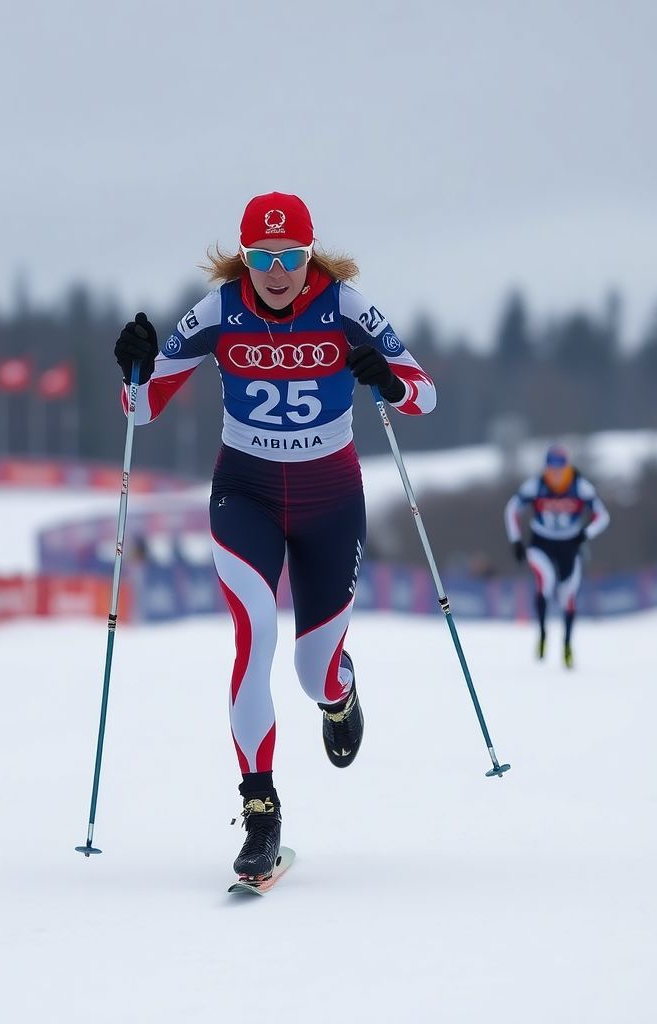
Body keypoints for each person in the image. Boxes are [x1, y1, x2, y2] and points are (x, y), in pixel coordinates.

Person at [113, 191, 435, 880]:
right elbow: (141, 410)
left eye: (291, 256)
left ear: (310, 256)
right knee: (254, 632)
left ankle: (339, 694)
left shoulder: (345, 307)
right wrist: (134, 368)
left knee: (312, 671)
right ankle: (261, 811)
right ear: (246, 259)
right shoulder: (217, 312)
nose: (278, 271)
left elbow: (423, 393)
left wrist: (388, 381)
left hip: (330, 500)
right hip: (246, 495)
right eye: (263, 258)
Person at [504, 444, 610, 668]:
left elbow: (602, 516)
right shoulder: (536, 485)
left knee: (567, 594)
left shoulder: (580, 486)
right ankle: (543, 632)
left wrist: (585, 533)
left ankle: (567, 644)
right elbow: (512, 509)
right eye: (551, 469)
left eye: (560, 469)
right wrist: (516, 540)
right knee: (546, 581)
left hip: (569, 544)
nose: (556, 475)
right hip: (541, 542)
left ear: (567, 468)